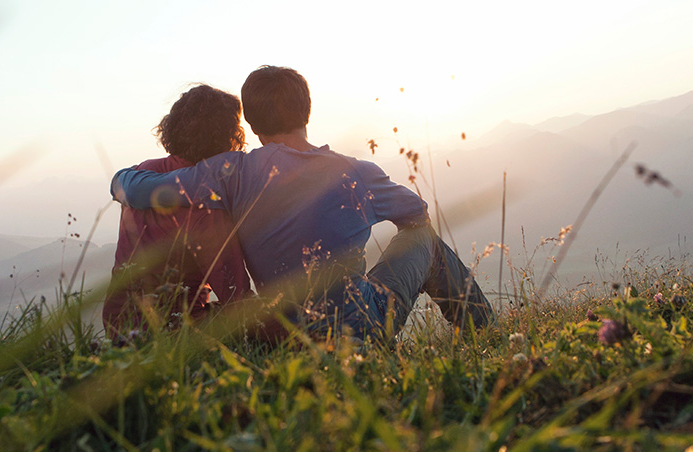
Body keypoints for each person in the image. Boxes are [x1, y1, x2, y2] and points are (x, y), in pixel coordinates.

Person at [111, 66, 493, 340]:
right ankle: (486, 335)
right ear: (307, 111)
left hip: (289, 333)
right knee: (425, 241)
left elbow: (139, 190)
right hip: (361, 328)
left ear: (254, 126)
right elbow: (416, 214)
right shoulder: (356, 172)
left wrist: (121, 178)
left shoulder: (230, 172)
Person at [103, 85, 252, 338]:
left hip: (118, 324)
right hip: (174, 331)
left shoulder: (143, 172)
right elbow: (235, 296)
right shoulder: (206, 204)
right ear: (230, 136)